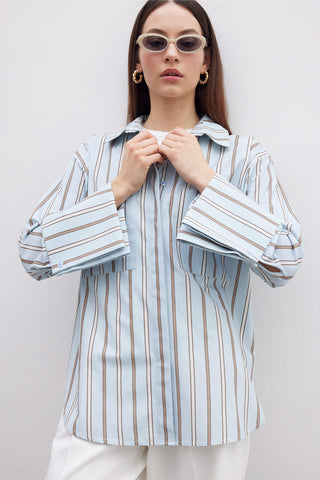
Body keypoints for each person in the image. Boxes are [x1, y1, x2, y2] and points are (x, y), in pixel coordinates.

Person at [17, 0, 303, 479]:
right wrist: (118, 188)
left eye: (187, 43)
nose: (172, 54)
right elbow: (34, 254)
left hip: (208, 403)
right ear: (137, 61)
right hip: (102, 400)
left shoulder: (245, 159)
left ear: (205, 63)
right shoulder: (96, 157)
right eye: (156, 42)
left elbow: (284, 260)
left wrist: (206, 181)